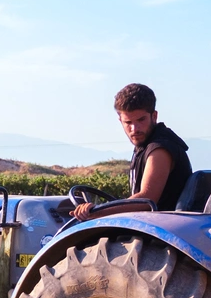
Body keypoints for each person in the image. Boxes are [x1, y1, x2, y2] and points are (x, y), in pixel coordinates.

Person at [73, 83, 193, 218]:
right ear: (120, 121)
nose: (135, 129)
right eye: (128, 122)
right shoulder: (144, 147)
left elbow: (147, 200)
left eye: (141, 120)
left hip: (164, 227)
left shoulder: (160, 149)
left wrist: (96, 212)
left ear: (154, 116)